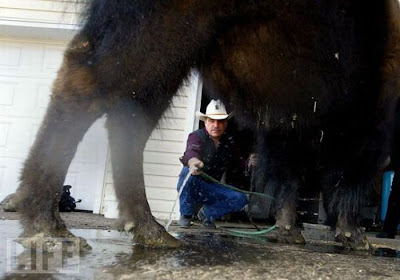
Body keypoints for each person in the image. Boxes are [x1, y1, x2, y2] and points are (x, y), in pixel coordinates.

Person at [176, 99, 248, 228]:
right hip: (195, 186)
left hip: (212, 189)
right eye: (211, 121)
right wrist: (193, 162)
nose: (216, 125)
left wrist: (249, 163)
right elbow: (191, 151)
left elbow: (239, 162)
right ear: (205, 122)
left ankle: (207, 214)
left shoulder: (228, 142)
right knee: (186, 172)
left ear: (225, 123)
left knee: (241, 198)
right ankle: (185, 215)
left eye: (220, 121)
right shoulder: (196, 136)